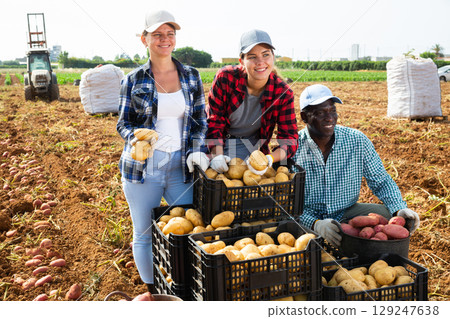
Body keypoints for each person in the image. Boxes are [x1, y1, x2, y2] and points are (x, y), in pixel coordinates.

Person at [116, 9, 209, 293]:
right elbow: (123, 123)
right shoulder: (133, 79)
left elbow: (200, 121)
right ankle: (154, 294)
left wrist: (196, 150)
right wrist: (136, 138)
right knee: (144, 234)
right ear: (144, 39)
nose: (164, 39)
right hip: (143, 168)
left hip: (181, 166)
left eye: (170, 34)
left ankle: (188, 290)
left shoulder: (191, 76)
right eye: (157, 34)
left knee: (192, 229)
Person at [292, 84, 420, 247]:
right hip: (306, 220)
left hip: (346, 214)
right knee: (289, 230)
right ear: (304, 117)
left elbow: (381, 181)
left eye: (332, 111)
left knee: (390, 217)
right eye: (320, 113)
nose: (330, 118)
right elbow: (284, 204)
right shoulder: (292, 149)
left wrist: (399, 209)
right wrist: (315, 223)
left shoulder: (356, 141)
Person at [206, 29, 298, 174]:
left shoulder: (282, 93)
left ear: (273, 57)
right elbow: (215, 121)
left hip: (248, 146)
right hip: (214, 141)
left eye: (266, 54)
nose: (260, 62)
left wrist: (268, 159)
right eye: (252, 56)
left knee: (242, 186)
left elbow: (289, 139)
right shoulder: (226, 78)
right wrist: (216, 156)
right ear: (242, 61)